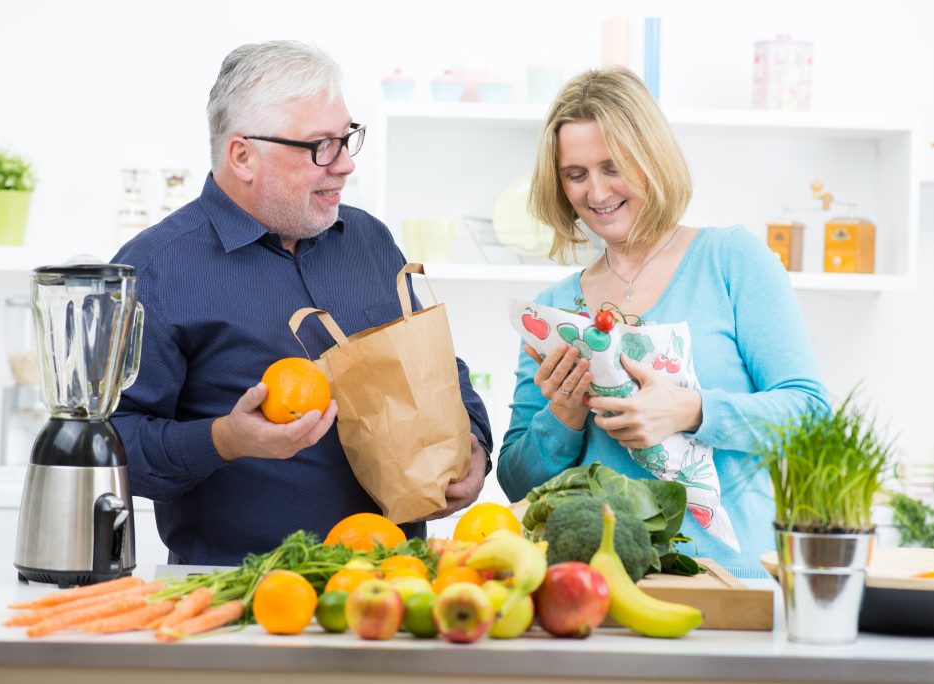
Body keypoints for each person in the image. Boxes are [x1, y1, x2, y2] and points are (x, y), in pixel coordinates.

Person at [112, 40, 492, 566]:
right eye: (321, 146)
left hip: (395, 586)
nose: (344, 166)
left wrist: (474, 441)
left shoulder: (369, 240)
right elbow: (113, 444)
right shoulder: (154, 269)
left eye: (347, 139)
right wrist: (224, 438)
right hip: (240, 599)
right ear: (243, 154)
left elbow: (435, 365)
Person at [497, 67, 828, 578]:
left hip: (731, 580)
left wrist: (692, 410)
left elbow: (811, 414)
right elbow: (517, 481)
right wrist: (561, 418)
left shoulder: (730, 260)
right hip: (595, 584)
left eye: (613, 167)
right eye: (576, 174)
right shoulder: (554, 311)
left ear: (650, 158)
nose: (597, 192)